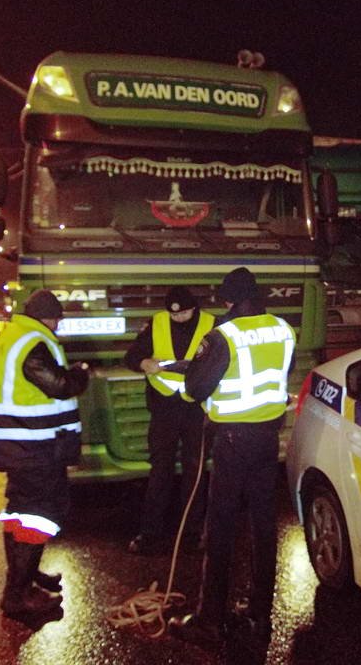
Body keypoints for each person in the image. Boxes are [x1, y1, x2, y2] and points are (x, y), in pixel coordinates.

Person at [172, 267, 294, 652]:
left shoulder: (223, 336)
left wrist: (189, 381)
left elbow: (195, 388)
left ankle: (209, 620)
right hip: (267, 439)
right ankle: (259, 613)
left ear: (228, 301)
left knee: (220, 525)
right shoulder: (283, 329)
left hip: (232, 439)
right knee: (263, 524)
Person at [0, 289, 89, 622]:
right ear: (50, 317)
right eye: (57, 319)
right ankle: (17, 595)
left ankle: (24, 577)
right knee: (38, 513)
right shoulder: (33, 342)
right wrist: (80, 374)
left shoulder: (14, 336)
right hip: (34, 446)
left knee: (20, 512)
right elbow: (58, 385)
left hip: (19, 443)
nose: (58, 325)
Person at [124, 285, 215, 555]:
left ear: (194, 309)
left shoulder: (212, 325)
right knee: (160, 471)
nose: (177, 318)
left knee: (194, 470)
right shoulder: (157, 322)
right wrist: (144, 363)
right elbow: (131, 357)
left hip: (196, 409)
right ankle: (150, 532)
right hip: (164, 408)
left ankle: (193, 531)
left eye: (183, 314)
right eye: (173, 314)